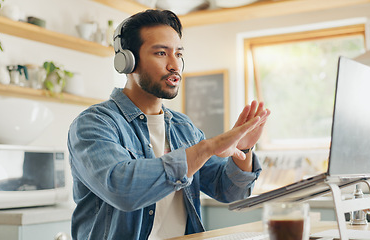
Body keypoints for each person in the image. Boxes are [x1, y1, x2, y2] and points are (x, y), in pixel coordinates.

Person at [67, 9, 270, 240]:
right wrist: (206, 148)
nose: (175, 65)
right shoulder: (94, 124)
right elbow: (122, 188)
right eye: (161, 53)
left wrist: (243, 150)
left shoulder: (184, 128)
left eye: (179, 54)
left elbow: (230, 191)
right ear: (127, 61)